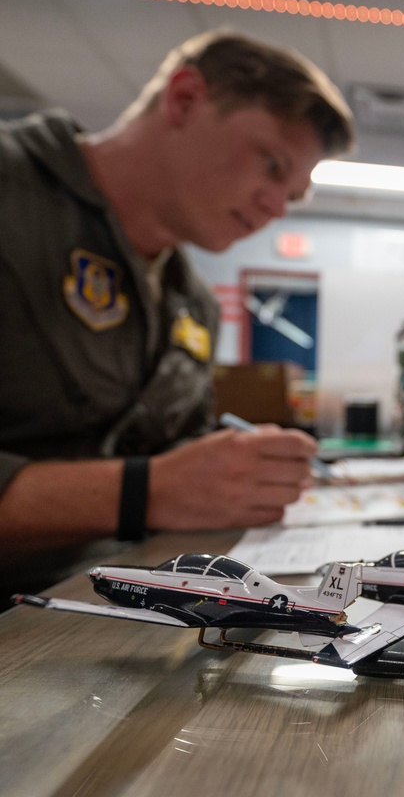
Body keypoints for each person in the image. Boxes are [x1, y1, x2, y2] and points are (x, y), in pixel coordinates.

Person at [0, 30, 355, 551]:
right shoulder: (11, 196)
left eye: (293, 197)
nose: (276, 208)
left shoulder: (192, 304)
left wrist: (236, 470)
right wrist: (143, 493)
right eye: (272, 165)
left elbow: (175, 450)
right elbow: (158, 485)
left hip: (111, 599)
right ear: (184, 98)